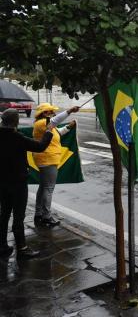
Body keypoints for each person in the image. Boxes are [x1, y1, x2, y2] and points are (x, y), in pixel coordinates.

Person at [0, 109, 53, 259]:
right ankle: (22, 249)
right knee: (18, 216)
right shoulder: (18, 138)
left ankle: (2, 246)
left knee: (4, 214)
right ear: (16, 122)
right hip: (18, 183)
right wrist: (48, 132)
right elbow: (41, 146)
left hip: (2, 182)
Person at [33, 103, 80, 227]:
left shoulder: (47, 125)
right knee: (48, 189)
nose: (53, 113)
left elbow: (57, 133)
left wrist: (68, 127)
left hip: (46, 159)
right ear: (44, 113)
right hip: (47, 159)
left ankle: (39, 213)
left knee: (43, 187)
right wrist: (69, 110)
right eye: (50, 112)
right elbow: (55, 121)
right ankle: (46, 216)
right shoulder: (42, 123)